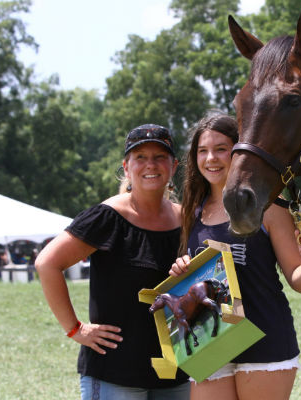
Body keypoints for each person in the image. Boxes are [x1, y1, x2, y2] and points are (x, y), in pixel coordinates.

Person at [169, 110, 301, 400]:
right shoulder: (193, 212)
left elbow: (300, 282)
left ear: (239, 152)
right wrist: (182, 270)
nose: (210, 159)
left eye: (220, 149)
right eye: (202, 151)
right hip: (211, 344)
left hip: (265, 341)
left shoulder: (270, 208)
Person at [35, 124, 190, 400]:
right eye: (140, 157)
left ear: (174, 165)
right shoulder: (106, 218)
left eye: (159, 157)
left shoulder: (188, 219)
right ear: (126, 166)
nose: (150, 165)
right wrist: (75, 328)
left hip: (178, 373)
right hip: (115, 373)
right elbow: (47, 263)